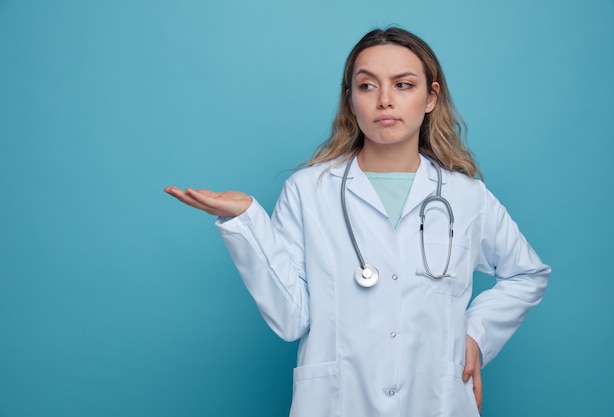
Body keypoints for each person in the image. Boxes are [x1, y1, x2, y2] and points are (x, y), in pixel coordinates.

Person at [165, 27, 550, 417]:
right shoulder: (308, 191)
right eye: (367, 86)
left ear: (431, 97)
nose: (385, 100)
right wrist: (247, 221)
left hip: (436, 402)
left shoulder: (466, 196)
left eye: (403, 85)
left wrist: (477, 335)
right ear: (350, 100)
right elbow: (290, 319)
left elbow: (527, 274)